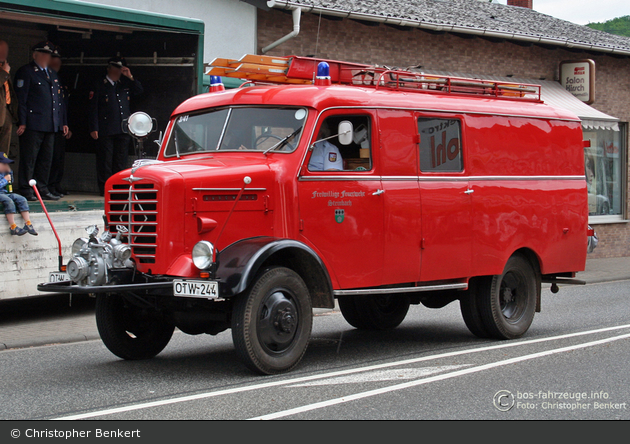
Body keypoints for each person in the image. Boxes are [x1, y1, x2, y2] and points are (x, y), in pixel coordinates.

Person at [14, 41, 68, 201]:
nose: (46, 57)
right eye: (42, 54)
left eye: (48, 55)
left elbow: (58, 100)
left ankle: (42, 188)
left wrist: (61, 122)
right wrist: (22, 121)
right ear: (34, 55)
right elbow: (21, 100)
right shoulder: (26, 71)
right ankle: (25, 188)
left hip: (50, 124)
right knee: (29, 158)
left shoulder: (52, 73)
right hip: (33, 123)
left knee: (46, 159)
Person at [88, 56, 143, 196]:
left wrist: (130, 77)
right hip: (106, 128)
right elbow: (93, 107)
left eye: (120, 69)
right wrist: (94, 127)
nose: (118, 71)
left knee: (121, 160)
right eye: (116, 68)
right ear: (109, 68)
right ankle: (105, 188)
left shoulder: (124, 84)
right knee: (105, 160)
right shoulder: (100, 84)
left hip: (123, 128)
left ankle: (119, 188)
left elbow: (139, 91)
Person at [48, 47, 71, 197]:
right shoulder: (47, 78)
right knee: (48, 159)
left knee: (58, 159)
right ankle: (47, 186)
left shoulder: (59, 80)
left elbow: (62, 105)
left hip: (60, 125)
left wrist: (66, 124)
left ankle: (55, 184)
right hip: (48, 125)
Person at [0, 152, 37, 236]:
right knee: (9, 201)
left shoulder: (5, 171)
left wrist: (10, 175)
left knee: (22, 199)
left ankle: (28, 224)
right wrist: (5, 180)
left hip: (5, 192)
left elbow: (10, 182)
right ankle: (13, 227)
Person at [0, 40, 18, 156]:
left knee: (4, 148)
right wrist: (4, 72)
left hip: (6, 110)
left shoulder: (4, 66)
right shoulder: (4, 70)